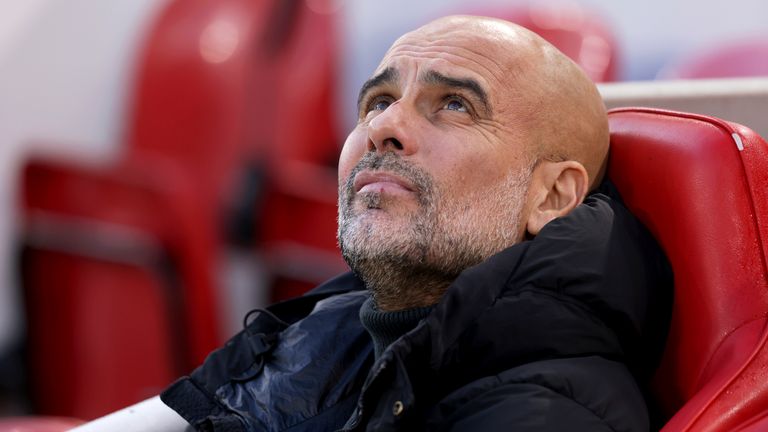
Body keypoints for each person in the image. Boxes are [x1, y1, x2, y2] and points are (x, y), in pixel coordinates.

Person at [75, 14, 671, 432]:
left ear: (552, 196)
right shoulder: (330, 322)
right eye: (378, 101)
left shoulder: (547, 409)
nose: (384, 128)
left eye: (455, 105)